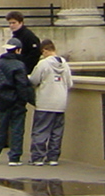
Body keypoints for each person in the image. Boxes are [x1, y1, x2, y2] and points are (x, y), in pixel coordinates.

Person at [0, 37, 34, 166]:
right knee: (17, 129)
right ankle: (14, 157)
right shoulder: (18, 65)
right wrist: (28, 100)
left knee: (2, 129)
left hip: (2, 101)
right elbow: (23, 85)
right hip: (16, 101)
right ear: (18, 50)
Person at [28, 38, 72, 166]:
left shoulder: (43, 64)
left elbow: (34, 80)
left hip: (45, 101)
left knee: (40, 130)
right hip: (60, 102)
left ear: (45, 50)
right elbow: (69, 83)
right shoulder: (64, 64)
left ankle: (38, 157)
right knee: (56, 132)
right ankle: (53, 157)